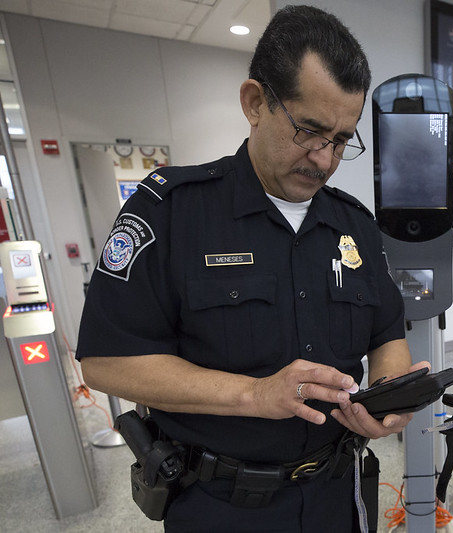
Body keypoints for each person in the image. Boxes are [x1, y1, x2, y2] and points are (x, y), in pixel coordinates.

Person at [76, 5, 424, 532]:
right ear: (255, 103)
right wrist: (254, 394)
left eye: (341, 139)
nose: (325, 160)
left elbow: (386, 333)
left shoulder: (356, 224)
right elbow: (107, 362)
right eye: (310, 131)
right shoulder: (171, 210)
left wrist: (389, 393)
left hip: (337, 493)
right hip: (221, 502)